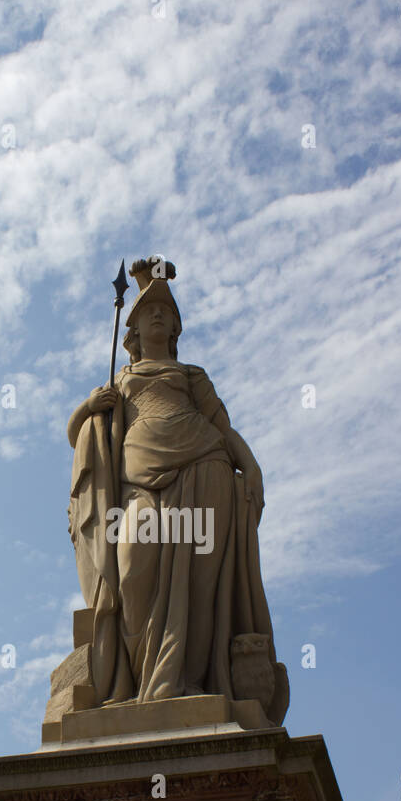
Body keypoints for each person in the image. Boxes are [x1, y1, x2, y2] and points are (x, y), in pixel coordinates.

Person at [64, 258, 288, 720]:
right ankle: (139, 683)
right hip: (137, 482)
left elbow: (222, 428)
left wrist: (252, 467)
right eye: (149, 312)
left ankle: (186, 682)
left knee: (200, 585)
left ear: (176, 326)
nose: (158, 316)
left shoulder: (191, 376)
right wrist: (89, 407)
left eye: (166, 311)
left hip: (205, 471)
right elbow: (77, 435)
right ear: (135, 328)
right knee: (132, 570)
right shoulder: (120, 379)